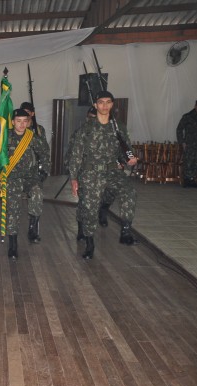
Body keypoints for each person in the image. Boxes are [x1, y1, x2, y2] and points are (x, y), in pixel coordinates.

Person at [69, 90, 139, 260]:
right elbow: (76, 155)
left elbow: (125, 150)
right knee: (90, 208)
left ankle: (126, 230)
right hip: (91, 172)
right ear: (95, 105)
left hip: (112, 170)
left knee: (129, 191)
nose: (105, 105)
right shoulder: (86, 129)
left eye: (108, 102)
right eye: (101, 102)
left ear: (112, 104)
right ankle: (90, 242)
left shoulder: (118, 127)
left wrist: (129, 160)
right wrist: (74, 178)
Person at [2, 109, 50, 259]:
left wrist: (44, 171)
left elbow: (45, 153)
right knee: (13, 209)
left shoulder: (33, 137)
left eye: (25, 121)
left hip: (31, 176)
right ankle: (13, 244)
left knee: (37, 194)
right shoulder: (5, 138)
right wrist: (0, 175)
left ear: (28, 122)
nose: (22, 124)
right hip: (13, 177)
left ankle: (32, 227)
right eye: (18, 121)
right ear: (13, 122)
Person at [176, 99, 197, 188]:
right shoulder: (188, 116)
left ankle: (193, 180)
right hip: (189, 144)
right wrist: (181, 142)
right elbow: (179, 129)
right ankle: (186, 180)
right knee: (188, 162)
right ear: (195, 106)